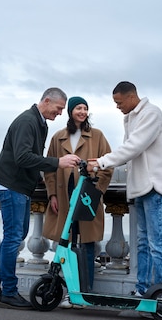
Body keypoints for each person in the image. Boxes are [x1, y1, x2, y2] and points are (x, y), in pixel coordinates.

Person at [0, 87, 81, 309]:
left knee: (15, 235)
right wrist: (57, 163)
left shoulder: (37, 121)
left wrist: (37, 179)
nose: (61, 113)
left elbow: (26, 157)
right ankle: (9, 291)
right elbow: (23, 157)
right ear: (46, 101)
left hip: (18, 185)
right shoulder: (27, 121)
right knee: (14, 237)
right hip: (11, 185)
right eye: (59, 108)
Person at [87, 81, 162, 297]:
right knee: (144, 243)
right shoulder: (132, 117)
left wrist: (101, 162)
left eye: (119, 102)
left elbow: (133, 147)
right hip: (142, 187)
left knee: (156, 243)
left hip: (153, 187)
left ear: (131, 97)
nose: (117, 107)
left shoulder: (151, 113)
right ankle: (144, 289)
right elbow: (131, 150)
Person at [42, 96, 113, 309]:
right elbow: (50, 169)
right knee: (66, 244)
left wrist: (97, 191)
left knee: (87, 245)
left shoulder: (97, 136)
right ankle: (69, 293)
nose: (82, 112)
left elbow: (108, 166)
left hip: (87, 195)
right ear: (70, 111)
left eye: (85, 108)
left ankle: (86, 292)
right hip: (65, 197)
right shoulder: (58, 138)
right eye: (78, 108)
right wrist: (52, 194)